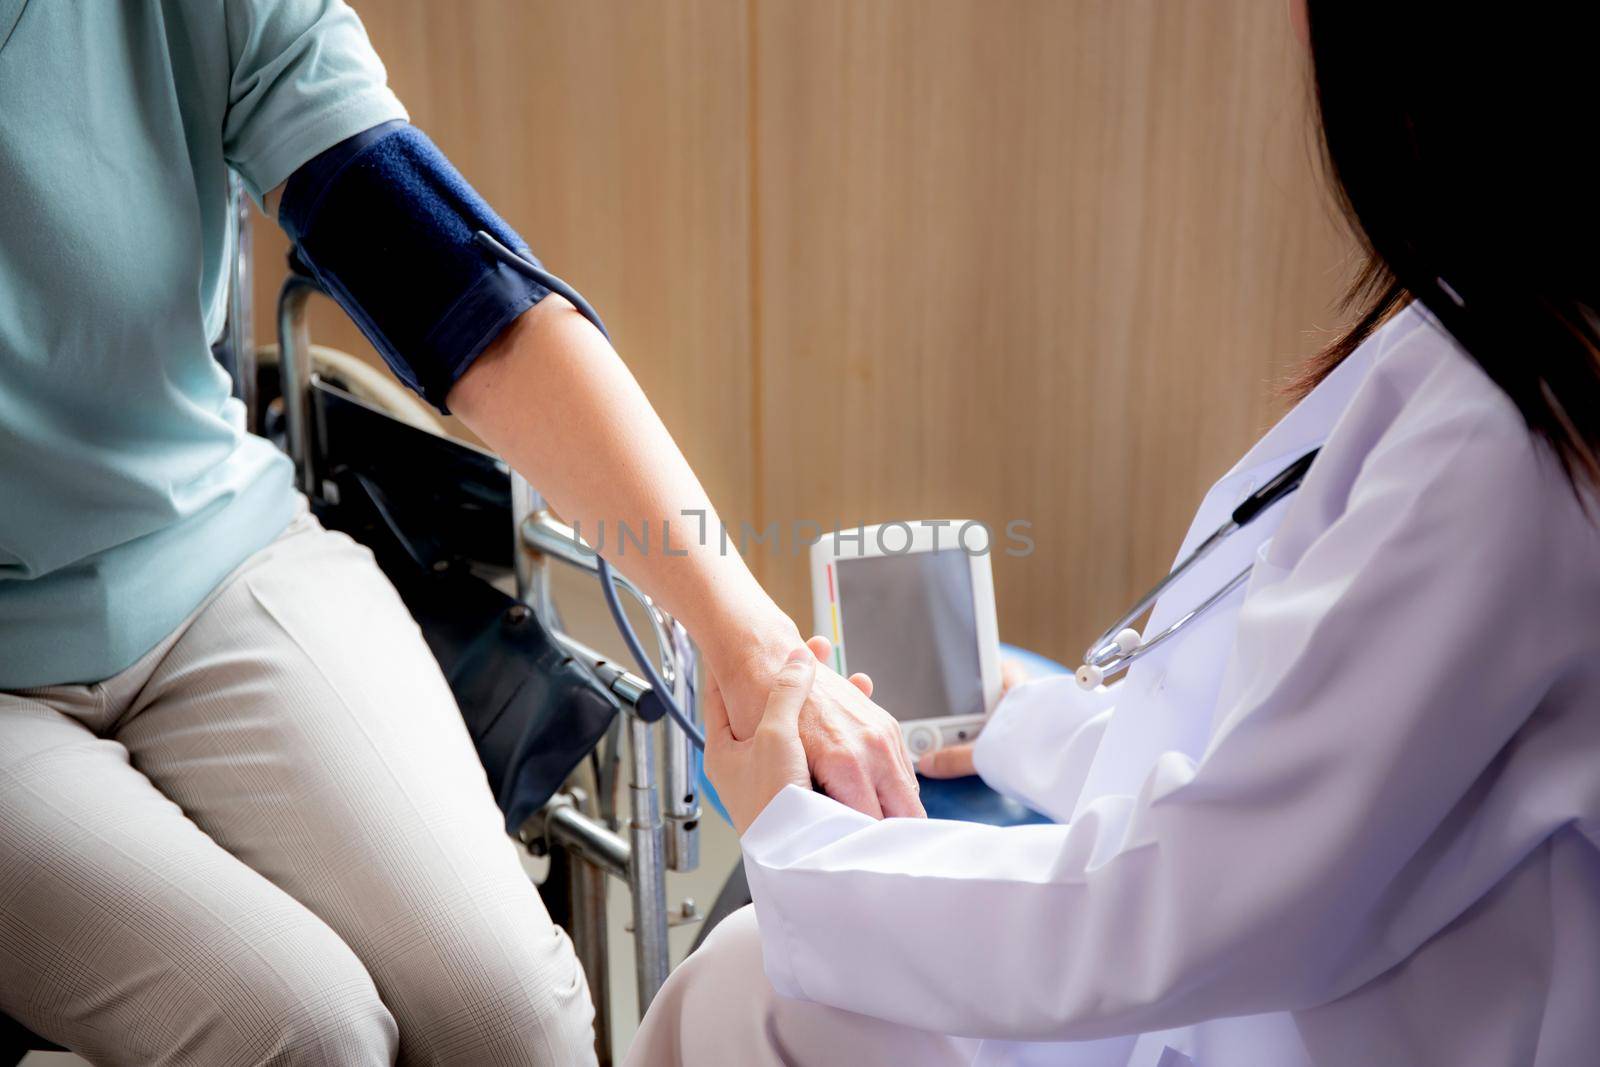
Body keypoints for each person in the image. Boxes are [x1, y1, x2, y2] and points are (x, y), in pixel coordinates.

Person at [627, 4, 1600, 1065]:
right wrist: (1013, 722)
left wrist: (791, 834)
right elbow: (1313, 752)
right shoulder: (1498, 342)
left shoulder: (1511, 437)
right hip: (1258, 970)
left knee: (749, 976)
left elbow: (1201, 895)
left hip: (1253, 996)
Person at [0, 2, 919, 1064]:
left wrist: (751, 648)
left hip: (211, 552)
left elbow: (452, 284)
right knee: (298, 1030)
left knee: (513, 1015)